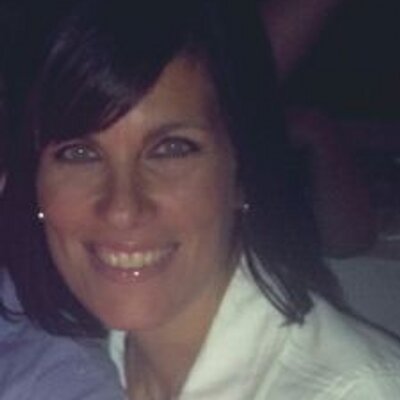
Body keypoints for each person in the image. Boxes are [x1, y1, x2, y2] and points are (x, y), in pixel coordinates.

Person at [2, 0, 400, 399]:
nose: (122, 209)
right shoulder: (71, 361)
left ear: (241, 171)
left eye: (171, 149)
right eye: (79, 153)